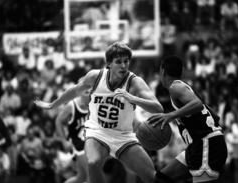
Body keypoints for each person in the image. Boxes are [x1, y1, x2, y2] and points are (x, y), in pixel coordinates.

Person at [34, 42, 171, 183]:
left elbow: (158, 108)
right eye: (118, 62)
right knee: (93, 162)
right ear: (109, 63)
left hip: (123, 136)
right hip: (97, 132)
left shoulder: (135, 82)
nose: (123, 66)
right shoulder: (95, 77)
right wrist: (52, 105)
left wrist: (132, 98)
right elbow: (74, 91)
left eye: (126, 61)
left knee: (151, 177)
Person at [149, 55, 228, 183]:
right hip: (198, 144)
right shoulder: (183, 87)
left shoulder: (175, 87)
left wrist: (171, 115)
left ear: (163, 71)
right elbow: (213, 114)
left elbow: (198, 104)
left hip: (206, 144)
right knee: (161, 179)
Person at [55, 90, 90, 183]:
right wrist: (63, 141)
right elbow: (58, 121)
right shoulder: (72, 105)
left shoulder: (95, 103)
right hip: (78, 143)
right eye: (86, 92)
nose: (89, 94)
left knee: (81, 177)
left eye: (91, 91)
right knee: (92, 176)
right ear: (80, 93)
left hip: (89, 141)